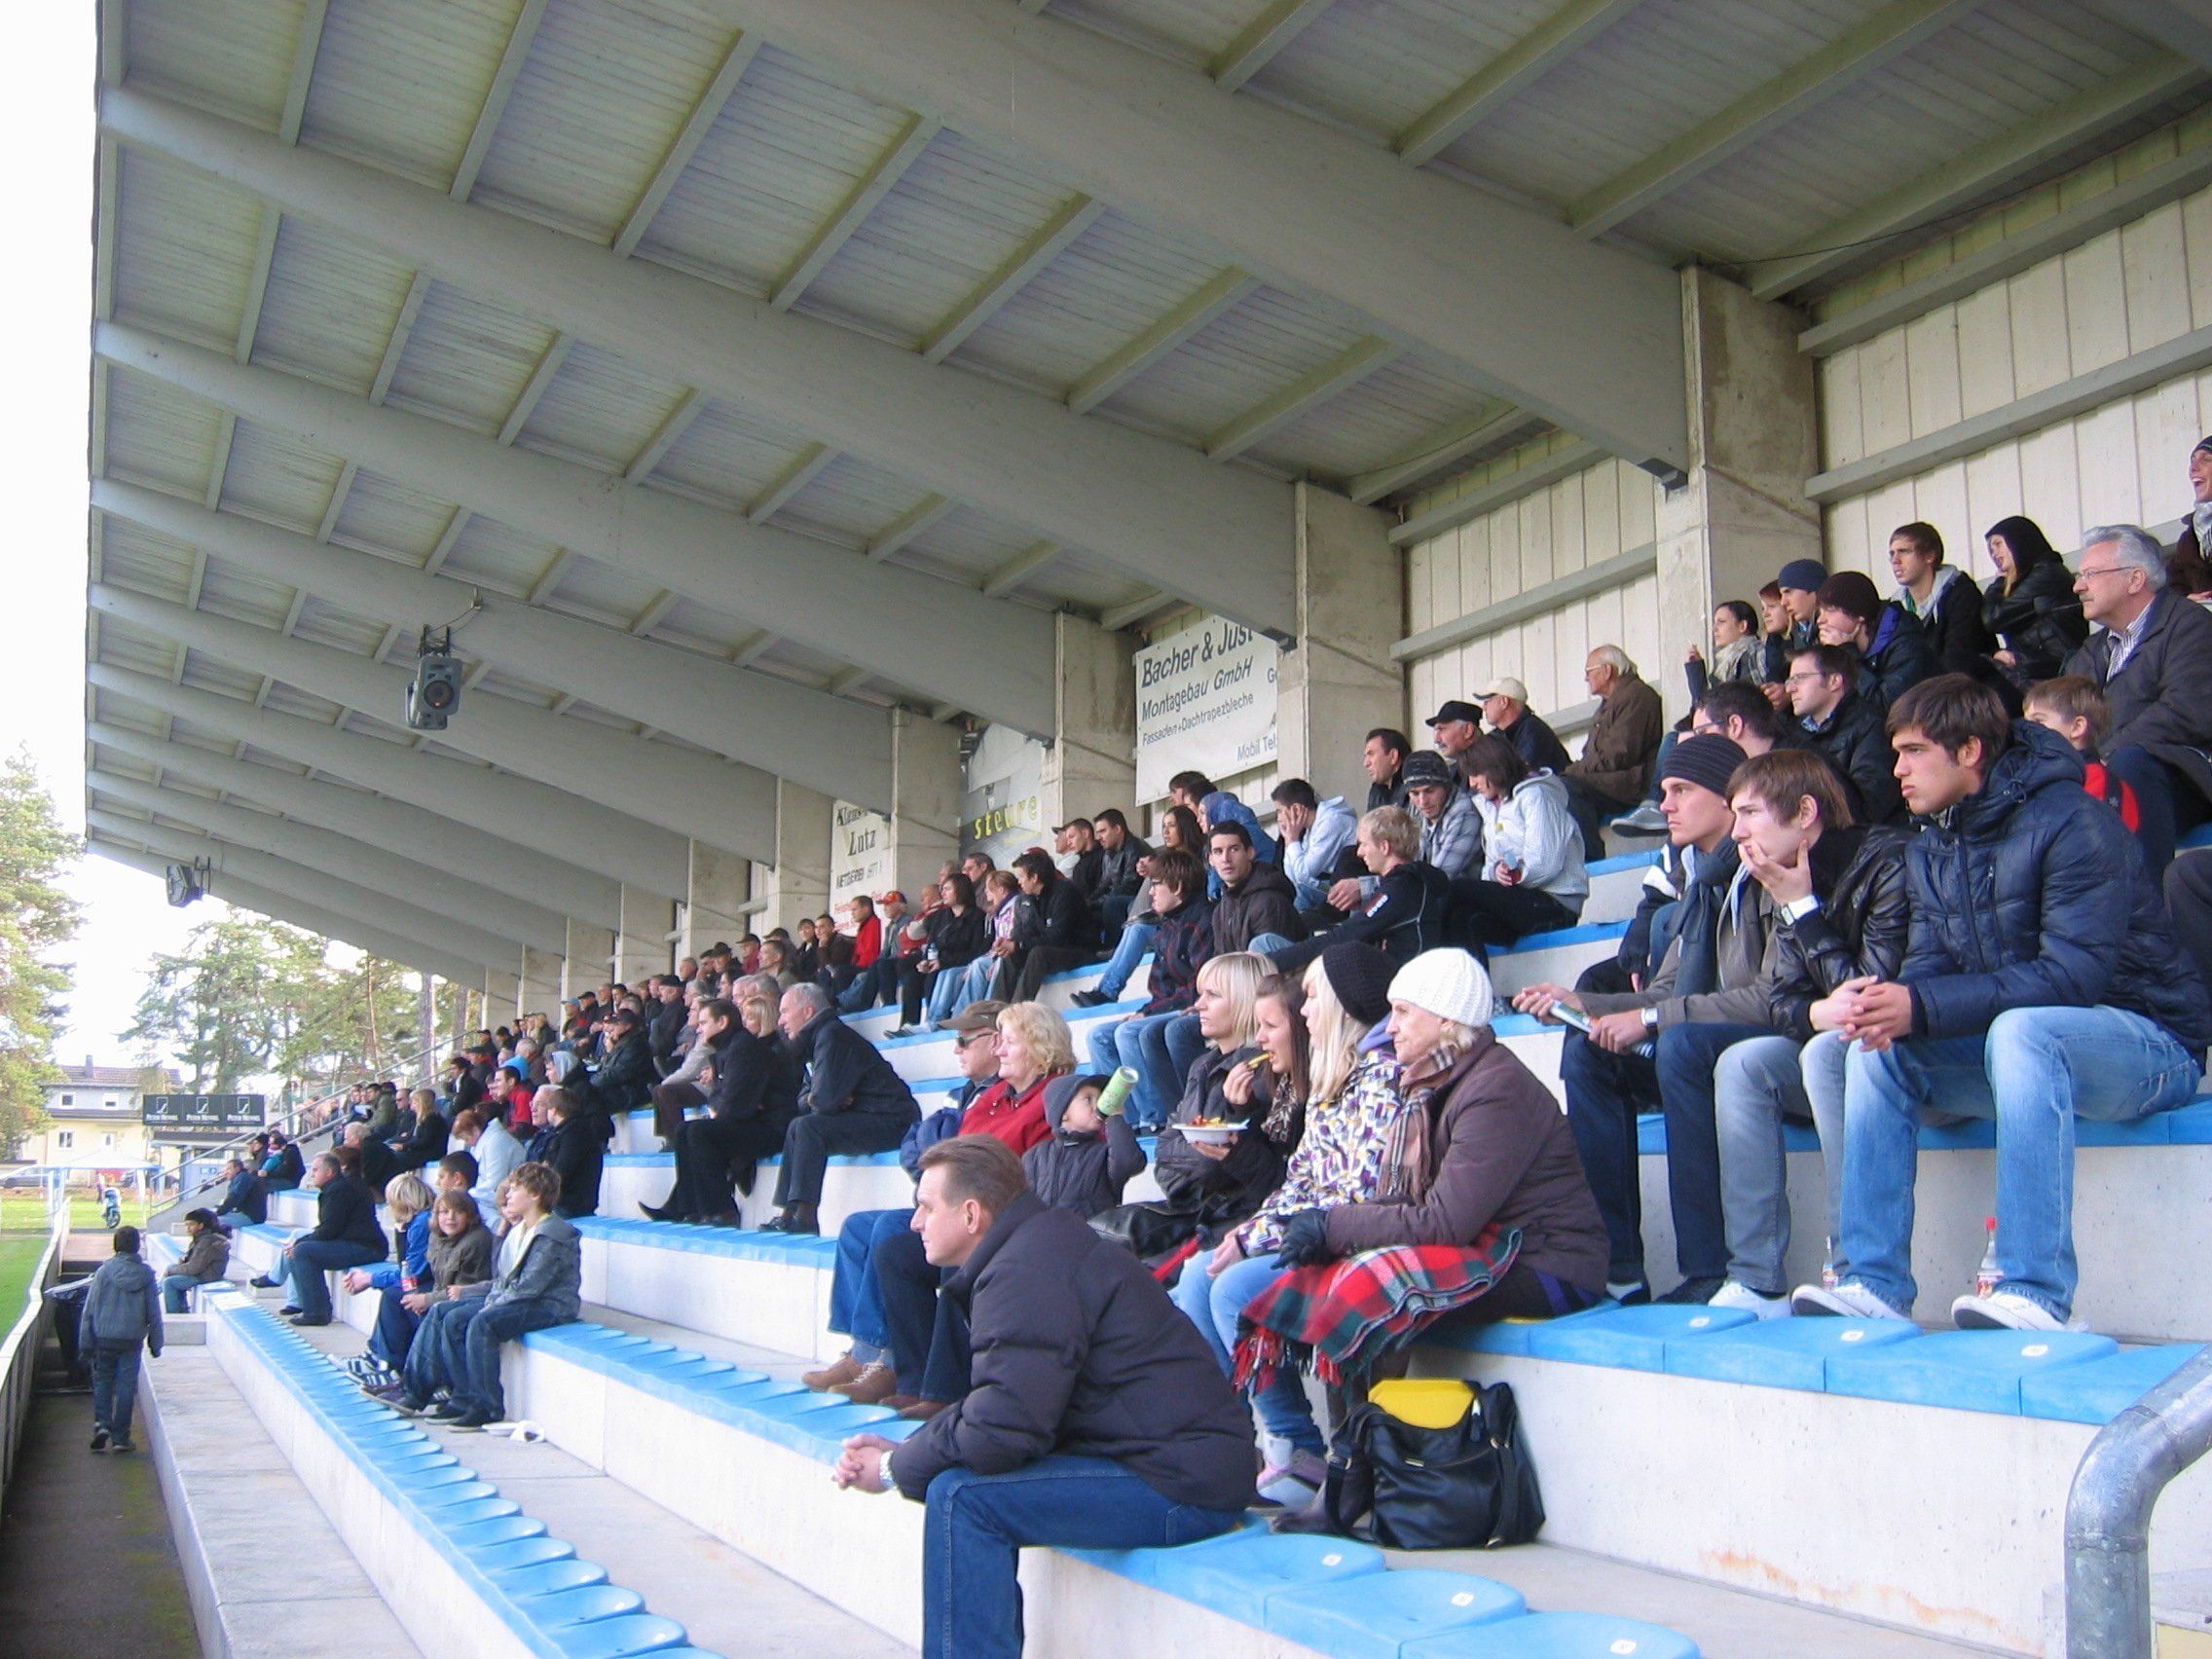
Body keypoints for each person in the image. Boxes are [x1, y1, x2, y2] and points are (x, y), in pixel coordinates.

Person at [1793, 677, 2212, 1331]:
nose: (1897, 770)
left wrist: (1921, 1005)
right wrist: (1892, 1007)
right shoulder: (1933, 843)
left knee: (2022, 1033)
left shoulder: (2075, 821)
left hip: (2151, 1045)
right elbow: (1929, 970)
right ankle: (1871, 1280)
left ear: (1969, 751)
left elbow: (2073, 978)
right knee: (1867, 1047)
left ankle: (2035, 1288)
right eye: (1896, 753)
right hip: (2028, 1054)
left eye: (1913, 751)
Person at [832, 1137, 1255, 1659]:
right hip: (1167, 1460)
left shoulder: (1025, 1272)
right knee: (957, 1483)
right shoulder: (1031, 1251)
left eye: (926, 1206)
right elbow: (1004, 1402)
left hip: (1182, 1484)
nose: (915, 1222)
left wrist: (895, 1468)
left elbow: (1002, 1429)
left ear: (971, 1215)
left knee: (962, 1499)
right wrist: (911, 1449)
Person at [1234, 951, 1605, 1451]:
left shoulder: (1495, 1089)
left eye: (1404, 1013)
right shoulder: (1434, 1080)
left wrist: (1332, 1226)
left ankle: (1357, 1456)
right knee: (1347, 1272)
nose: (1390, 1027)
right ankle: (1357, 1454)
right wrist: (1329, 1227)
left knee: (1370, 1286)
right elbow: (1408, 1204)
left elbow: (1445, 1222)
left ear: (1447, 1021)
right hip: (1496, 1244)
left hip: (1547, 1264)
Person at [1513, 734, 1772, 1302]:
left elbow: (1768, 997)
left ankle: (1706, 1269)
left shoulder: (1765, 868)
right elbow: (1664, 989)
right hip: (1694, 1037)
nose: (1666, 805)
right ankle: (1618, 1265)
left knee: (1679, 1048)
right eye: (1666, 791)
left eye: (1682, 790)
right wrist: (1582, 1004)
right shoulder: (1698, 881)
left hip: (1750, 1044)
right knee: (1588, 1050)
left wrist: (1652, 1020)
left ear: (1728, 799)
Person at [1176, 946, 1404, 1492]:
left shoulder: (1380, 1077)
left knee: (1234, 1290)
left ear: (1343, 1007)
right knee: (1197, 1274)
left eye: (1311, 999)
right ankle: (1234, 1443)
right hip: (1309, 1230)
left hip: (1355, 1240)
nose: (1303, 1012)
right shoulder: (1333, 1079)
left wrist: (1255, 1236)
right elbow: (1300, 1179)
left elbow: (1355, 1193)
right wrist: (1248, 1234)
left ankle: (1294, 1446)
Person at [1705, 750, 1908, 1316]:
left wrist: (1803, 910)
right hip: (1835, 1037)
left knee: (1829, 1054)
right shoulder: (1790, 876)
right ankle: (1755, 1279)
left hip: (1896, 1054)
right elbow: (1780, 1000)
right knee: (1743, 1064)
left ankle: (1855, 1271)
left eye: (1749, 813)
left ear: (1805, 812)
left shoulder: (1886, 862)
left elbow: (1870, 999)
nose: (1736, 832)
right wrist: (1818, 1013)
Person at [807, 1001, 1007, 1404]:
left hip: (966, 1211)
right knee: (857, 1227)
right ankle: (862, 1350)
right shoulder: (961, 1094)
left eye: (965, 1040)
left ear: (995, 1041)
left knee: (888, 1231)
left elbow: (952, 1154)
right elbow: (915, 1146)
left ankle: (887, 1360)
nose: (956, 1049)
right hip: (938, 1199)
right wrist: (935, 1155)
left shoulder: (998, 1095)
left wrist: (935, 1154)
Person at [2065, 522, 2212, 878]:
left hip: (2180, 775)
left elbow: (2186, 710)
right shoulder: (2091, 650)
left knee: (2130, 764)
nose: (2078, 586)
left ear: (2134, 579)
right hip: (2105, 772)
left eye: (2090, 574)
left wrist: (2107, 754)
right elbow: (2062, 715)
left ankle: (2144, 903)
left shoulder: (2189, 624)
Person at [395, 1162, 581, 1431]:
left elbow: (528, 1288)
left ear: (535, 1195)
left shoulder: (553, 1233)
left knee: (482, 1323)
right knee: (444, 1312)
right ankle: (453, 1397)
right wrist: (503, 1232)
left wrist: (489, 1305)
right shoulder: (520, 1229)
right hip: (516, 1298)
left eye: (515, 1189)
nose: (508, 1195)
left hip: (549, 1305)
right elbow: (502, 1278)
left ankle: (487, 1406)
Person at [1151, 953, 1296, 1234]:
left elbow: (1212, 1163)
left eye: (1213, 995)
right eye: (1200, 993)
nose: (1198, 1004)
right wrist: (1188, 1182)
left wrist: (1190, 1166)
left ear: (1244, 1001)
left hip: (1239, 1218)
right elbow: (1164, 1146)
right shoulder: (1200, 1065)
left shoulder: (1263, 1070)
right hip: (1198, 1212)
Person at [767, 984, 922, 1235]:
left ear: (808, 1011)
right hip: (866, 1115)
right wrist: (825, 1098)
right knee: (797, 1125)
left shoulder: (832, 1035)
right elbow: (807, 1100)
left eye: (785, 1011)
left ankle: (805, 1217)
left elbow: (824, 1101)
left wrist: (825, 1098)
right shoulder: (814, 1041)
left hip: (891, 1121)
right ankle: (788, 1212)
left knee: (808, 1127)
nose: (780, 1021)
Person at [1085, 848, 1211, 1130]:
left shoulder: (1202, 921)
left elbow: (1197, 989)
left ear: (1178, 887)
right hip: (1167, 1008)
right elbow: (1159, 988)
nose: (1151, 892)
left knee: (1128, 1032)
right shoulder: (1166, 926)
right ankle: (1124, 1120)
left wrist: (1148, 1013)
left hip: (1192, 1008)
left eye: (1156, 885)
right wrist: (1147, 1010)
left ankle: (1154, 1117)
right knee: (1098, 1036)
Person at [651, 992, 802, 1224]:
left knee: (699, 1132)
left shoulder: (743, 1048)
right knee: (683, 1130)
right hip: (753, 1121)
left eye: (703, 1023)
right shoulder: (730, 1048)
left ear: (722, 1022)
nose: (698, 1029)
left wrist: (726, 1104)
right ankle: (689, 1208)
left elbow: (735, 1105)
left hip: (772, 1129)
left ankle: (722, 1210)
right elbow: (722, 1096)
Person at [1266, 806, 1451, 974]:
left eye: (1363, 844)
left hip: (1399, 986)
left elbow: (1344, 936)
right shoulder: (1401, 883)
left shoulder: (1401, 889)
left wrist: (1270, 962)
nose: (1359, 853)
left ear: (1384, 847)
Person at [1454, 733, 1587, 948]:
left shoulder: (1537, 796)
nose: (1471, 783)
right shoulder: (1490, 808)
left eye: (1475, 774)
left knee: (1456, 889)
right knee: (1461, 920)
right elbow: (1491, 867)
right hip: (1521, 900)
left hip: (1555, 903)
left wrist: (1513, 876)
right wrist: (1497, 872)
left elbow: (1544, 865)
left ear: (1494, 767)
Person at [1072, 805, 1204, 1010]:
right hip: (1165, 922)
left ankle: (1107, 990)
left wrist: (1154, 872)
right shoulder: (1162, 857)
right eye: (1164, 826)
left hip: (1186, 926)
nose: (1165, 832)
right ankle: (1106, 990)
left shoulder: (1200, 856)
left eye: (1171, 826)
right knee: (1135, 926)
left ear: (1185, 827)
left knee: (1133, 923)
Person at [1562, 646, 1666, 860]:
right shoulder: (1611, 702)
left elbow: (1619, 754)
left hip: (1630, 783)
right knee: (1556, 788)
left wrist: (1573, 772)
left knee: (1569, 786)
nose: (1586, 678)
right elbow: (1593, 755)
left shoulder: (1636, 696)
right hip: (1610, 780)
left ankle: (1591, 860)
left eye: (1589, 671)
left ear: (1607, 671)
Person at [264, 1151, 387, 1327]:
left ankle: (317, 1312)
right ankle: (302, 1304)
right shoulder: (338, 1187)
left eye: (315, 1170)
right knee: (299, 1245)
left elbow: (329, 1230)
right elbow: (330, 1229)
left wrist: (299, 1243)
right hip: (357, 1243)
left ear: (329, 1172)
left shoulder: (339, 1190)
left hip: (365, 1247)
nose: (312, 1174)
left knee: (303, 1251)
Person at [1787, 642, 1904, 825]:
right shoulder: (1796, 732)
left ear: (1834, 681)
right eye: (1789, 680)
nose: (1790, 688)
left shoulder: (1871, 725)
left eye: (1800, 678)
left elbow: (1869, 805)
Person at [340, 1173, 432, 1381]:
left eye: (391, 1202)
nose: (389, 1208)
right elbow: (405, 1267)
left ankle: (389, 1365)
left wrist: (370, 1279)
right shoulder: (416, 1222)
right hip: (427, 1281)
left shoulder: (422, 1223)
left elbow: (410, 1273)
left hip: (433, 1286)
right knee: (392, 1292)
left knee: (394, 1294)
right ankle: (376, 1355)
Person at [83, 1227, 163, 1455]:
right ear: (138, 1245)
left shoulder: (104, 1272)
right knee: (127, 1386)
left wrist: (85, 1342)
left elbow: (90, 1309)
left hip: (104, 1337)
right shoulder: (146, 1275)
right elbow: (154, 1312)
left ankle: (102, 1424)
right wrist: (156, 1343)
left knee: (103, 1381)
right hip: (132, 1339)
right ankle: (121, 1437)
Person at [1021, 1074, 1145, 1222]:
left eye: (1100, 1099)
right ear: (1063, 1113)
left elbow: (1129, 1162)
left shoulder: (1104, 1153)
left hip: (1091, 1232)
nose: (1097, 1106)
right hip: (1043, 1232)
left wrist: (1115, 1118)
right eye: (1088, 1099)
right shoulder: (1035, 1155)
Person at [1981, 514, 2087, 685]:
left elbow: (1993, 618)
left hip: (2058, 670)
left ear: (2017, 541)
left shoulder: (2046, 573)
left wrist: (1999, 582)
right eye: (1991, 549)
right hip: (2044, 668)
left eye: (1998, 544)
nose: (1994, 553)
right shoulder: (2030, 577)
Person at [2024, 676, 2140, 830]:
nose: (2026, 729)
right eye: (2026, 722)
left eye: (2038, 721)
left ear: (2077, 727)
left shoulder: (2100, 783)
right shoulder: (2033, 775)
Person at [1816, 570, 1937, 714]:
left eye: (1830, 610)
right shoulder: (1841, 648)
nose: (1820, 620)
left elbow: (1888, 708)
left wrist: (1848, 656)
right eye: (1820, 612)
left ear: (1859, 614)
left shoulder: (1906, 646)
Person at [1890, 521, 1997, 679]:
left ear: (1929, 556)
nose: (1895, 560)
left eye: (1904, 551)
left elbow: (1959, 660)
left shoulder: (1962, 595)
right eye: (1892, 554)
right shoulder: (1894, 610)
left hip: (1970, 688)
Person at [1000, 851, 1104, 1004]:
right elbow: (1027, 932)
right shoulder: (1030, 898)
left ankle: (1018, 1008)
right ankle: (995, 1010)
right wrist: (1010, 943)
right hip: (1057, 951)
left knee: (1038, 953)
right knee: (1009, 956)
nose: (1019, 882)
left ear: (1034, 878)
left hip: (1081, 950)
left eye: (1021, 876)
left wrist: (1019, 945)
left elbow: (1057, 937)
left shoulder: (1065, 892)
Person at [901, 873, 988, 1036]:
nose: (943, 893)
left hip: (958, 963)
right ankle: (908, 1025)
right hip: (937, 962)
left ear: (960, 890)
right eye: (942, 889)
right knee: (912, 977)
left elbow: (976, 951)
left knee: (941, 974)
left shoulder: (977, 917)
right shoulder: (940, 916)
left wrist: (943, 963)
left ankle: (934, 1021)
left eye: (947, 889)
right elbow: (931, 943)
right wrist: (926, 961)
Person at [1206, 819, 1305, 956]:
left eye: (1234, 849)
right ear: (1210, 860)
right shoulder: (1220, 910)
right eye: (1218, 852)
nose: (1226, 859)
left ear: (1250, 853)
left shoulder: (1269, 901)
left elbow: (1275, 964)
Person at [1394, 750, 1484, 880]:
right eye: (1415, 793)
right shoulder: (1415, 809)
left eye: (1429, 791)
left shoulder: (1464, 812)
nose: (1423, 801)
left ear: (1446, 787)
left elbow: (1437, 878)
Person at [1272, 778, 1357, 912]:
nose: (1279, 818)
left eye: (1280, 811)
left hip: (1348, 888)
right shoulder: (1310, 829)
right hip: (1328, 885)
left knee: (1301, 893)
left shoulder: (1331, 822)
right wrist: (1289, 840)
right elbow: (1293, 876)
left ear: (1296, 809)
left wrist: (1293, 839)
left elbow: (1304, 874)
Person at [532, 1085, 605, 1220]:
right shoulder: (563, 1132)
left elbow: (560, 1172)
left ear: (554, 1110)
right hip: (560, 1203)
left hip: (569, 1207)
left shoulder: (575, 1133)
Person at [1479, 682, 1573, 777]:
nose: (1484, 707)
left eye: (1487, 701)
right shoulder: (1497, 735)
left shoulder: (1534, 731)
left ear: (1504, 702)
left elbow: (1523, 775)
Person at [453, 1106, 524, 1228]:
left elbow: (495, 1183)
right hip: (487, 1197)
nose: (467, 1143)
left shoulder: (496, 1141)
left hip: (504, 1197)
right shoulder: (483, 1143)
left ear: (475, 1130)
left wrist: (469, 1194)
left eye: (466, 1138)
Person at [161, 1208, 229, 1313]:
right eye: (186, 1225)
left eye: (191, 1225)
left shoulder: (206, 1241)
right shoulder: (202, 1238)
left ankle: (175, 1314)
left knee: (169, 1282)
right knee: (170, 1270)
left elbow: (194, 1268)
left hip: (207, 1276)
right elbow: (195, 1262)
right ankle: (179, 1309)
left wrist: (172, 1270)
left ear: (201, 1225)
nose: (187, 1229)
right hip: (203, 1273)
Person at [212, 1156, 266, 1227]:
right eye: (225, 1170)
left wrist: (219, 1212)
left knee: (210, 1222)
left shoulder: (243, 1178)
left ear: (237, 1168)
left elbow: (234, 1197)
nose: (225, 1172)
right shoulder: (241, 1177)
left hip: (250, 1217)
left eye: (229, 1169)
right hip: (245, 1214)